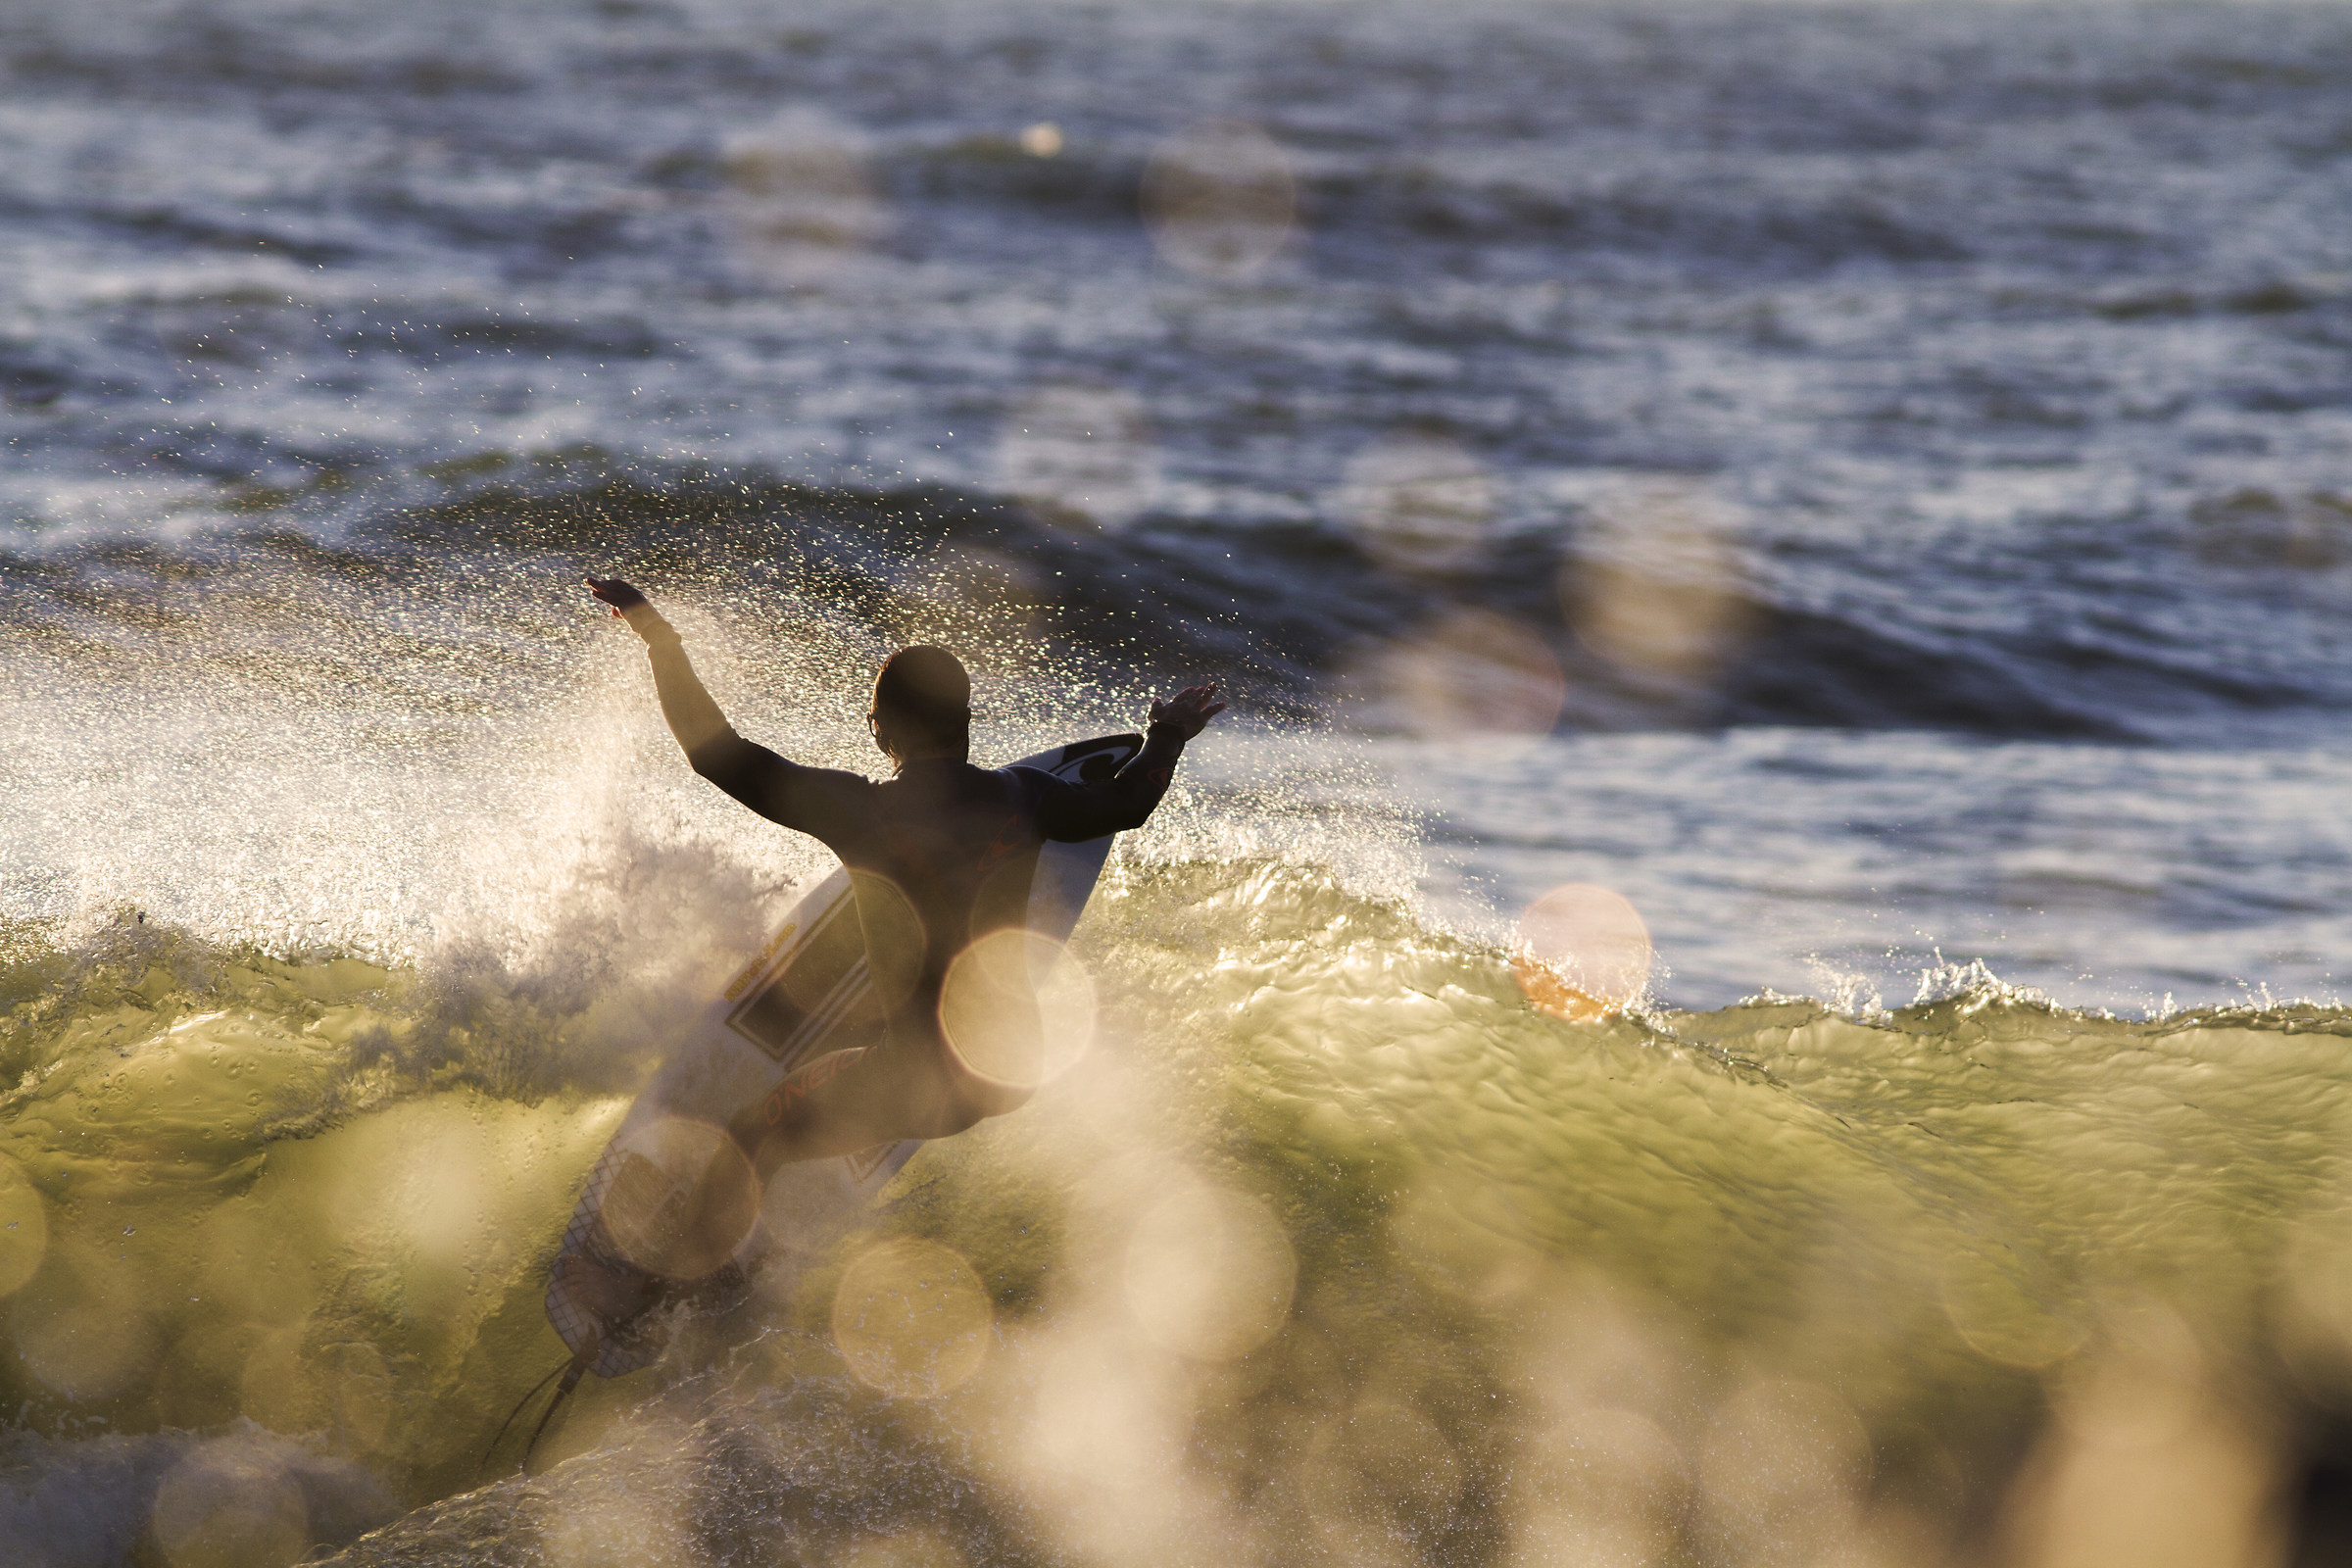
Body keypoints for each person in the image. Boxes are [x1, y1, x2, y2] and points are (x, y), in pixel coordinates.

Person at [571, 575, 1223, 1324]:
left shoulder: (865, 814)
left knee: (755, 1133)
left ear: (882, 732)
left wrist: (657, 634)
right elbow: (1130, 801)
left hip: (919, 1078)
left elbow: (714, 754)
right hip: (1006, 1071)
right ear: (968, 725)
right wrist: (1167, 731)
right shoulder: (1028, 799)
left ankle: (673, 1286)